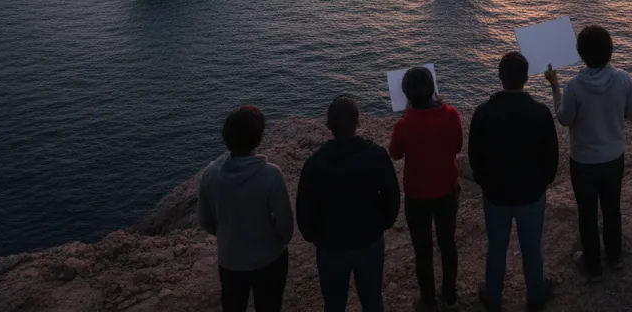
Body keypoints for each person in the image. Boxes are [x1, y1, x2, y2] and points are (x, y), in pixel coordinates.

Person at [545, 25, 632, 279]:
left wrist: (555, 86)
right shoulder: (623, 79)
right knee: (612, 208)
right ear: (610, 50)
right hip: (613, 157)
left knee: (587, 213)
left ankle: (593, 265)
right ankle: (615, 257)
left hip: (583, 161)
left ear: (581, 53)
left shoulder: (574, 86)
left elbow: (564, 119)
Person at [470, 51, 559, 312]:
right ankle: (535, 296)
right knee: (532, 248)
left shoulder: (483, 113)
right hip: (531, 194)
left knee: (497, 247)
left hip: (496, 195)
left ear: (501, 77)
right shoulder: (540, 112)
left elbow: (475, 156)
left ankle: (493, 296)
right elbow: (551, 155)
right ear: (526, 78)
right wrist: (543, 182)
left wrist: (485, 183)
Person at [295, 96, 400, 312]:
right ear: (358, 121)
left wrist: (315, 237)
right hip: (369, 240)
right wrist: (381, 225)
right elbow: (392, 197)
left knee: (334, 304)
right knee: (372, 300)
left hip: (330, 246)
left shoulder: (314, 164)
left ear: (328, 125)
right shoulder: (376, 155)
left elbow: (304, 210)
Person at [198, 105, 295, 312]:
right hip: (269, 259)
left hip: (230, 260)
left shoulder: (210, 174)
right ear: (259, 137)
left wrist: (227, 234)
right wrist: (275, 241)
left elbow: (205, 221)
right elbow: (286, 227)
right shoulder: (271, 175)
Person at [388, 67, 463, 311]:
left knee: (423, 250)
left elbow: (395, 153)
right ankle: (450, 297)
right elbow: (458, 145)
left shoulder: (404, 125)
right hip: (447, 191)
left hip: (417, 195)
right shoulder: (451, 115)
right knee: (447, 243)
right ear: (433, 90)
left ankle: (428, 302)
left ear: (407, 95)